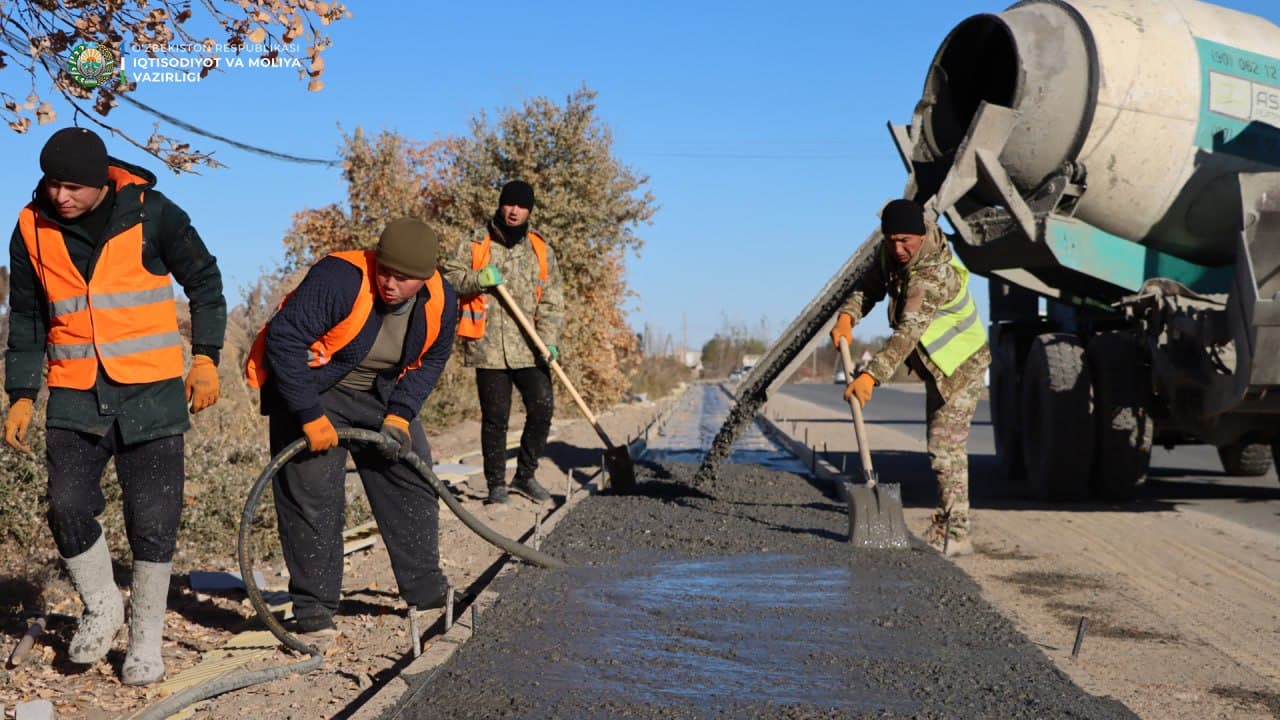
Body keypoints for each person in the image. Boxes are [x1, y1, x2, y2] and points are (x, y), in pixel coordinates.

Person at [2, 127, 226, 684]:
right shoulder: (31, 227)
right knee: (66, 505)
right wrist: (22, 395)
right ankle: (103, 605)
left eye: (74, 186)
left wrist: (205, 358)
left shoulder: (154, 213)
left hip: (151, 392)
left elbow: (205, 281)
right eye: (54, 184)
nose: (61, 196)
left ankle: (146, 639)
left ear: (103, 181)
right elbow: (27, 317)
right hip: (76, 394)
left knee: (153, 518)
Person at [244, 217, 457, 635]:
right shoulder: (340, 279)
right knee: (313, 497)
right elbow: (284, 339)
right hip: (312, 389)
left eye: (404, 278)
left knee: (411, 476)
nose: (390, 283)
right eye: (385, 271)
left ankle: (427, 592)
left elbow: (430, 362)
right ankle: (315, 613)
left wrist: (400, 415)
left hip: (378, 396)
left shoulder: (442, 301)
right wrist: (308, 415)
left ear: (426, 277)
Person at [830, 198, 991, 557]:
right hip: (936, 365)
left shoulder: (931, 275)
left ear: (921, 235)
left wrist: (872, 375)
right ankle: (952, 525)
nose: (898, 248)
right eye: (891, 240)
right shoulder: (891, 253)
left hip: (962, 365)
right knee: (939, 445)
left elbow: (908, 332)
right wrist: (848, 316)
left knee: (944, 447)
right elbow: (867, 286)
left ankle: (956, 532)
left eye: (906, 240)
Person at [443, 180, 564, 505]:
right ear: (500, 205)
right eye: (509, 204)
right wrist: (478, 279)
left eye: (521, 206)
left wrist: (550, 342)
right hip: (488, 349)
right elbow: (449, 276)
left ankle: (525, 476)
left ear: (529, 211)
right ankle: (496, 484)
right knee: (495, 418)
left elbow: (553, 299)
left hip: (530, 346)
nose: (514, 211)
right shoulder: (476, 243)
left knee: (542, 407)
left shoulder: (540, 249)